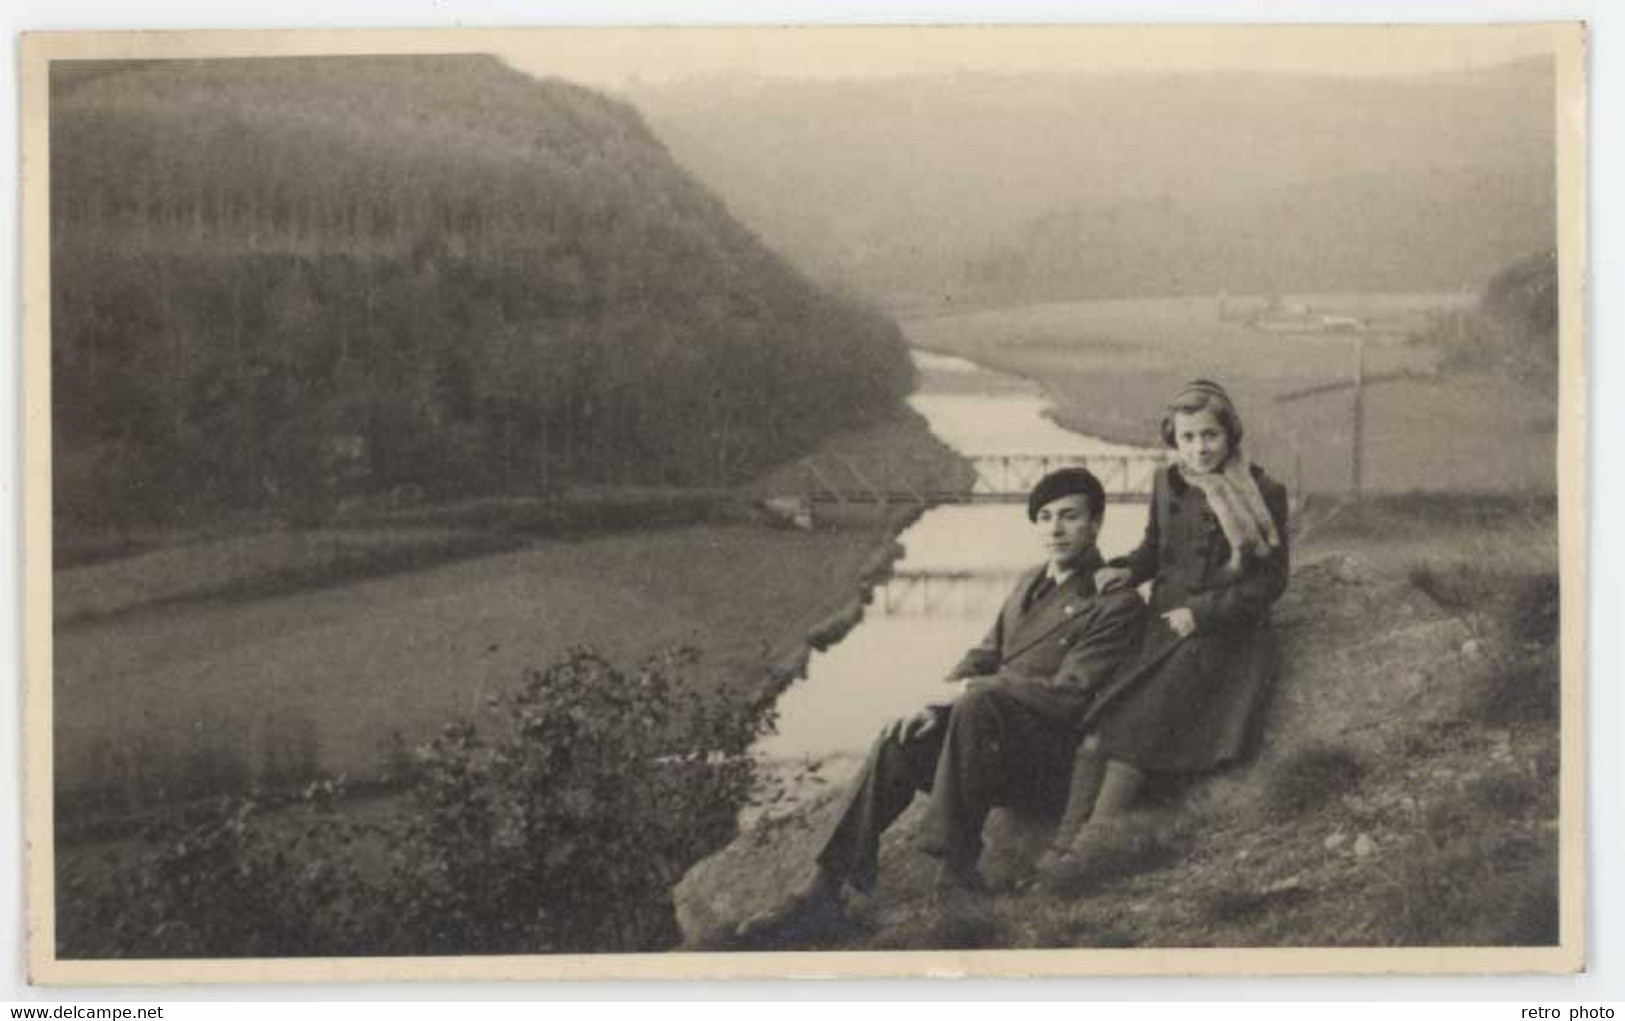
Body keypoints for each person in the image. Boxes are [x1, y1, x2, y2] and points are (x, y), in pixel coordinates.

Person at [735, 467, 1145, 942]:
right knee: (902, 738)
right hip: (988, 749)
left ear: (1095, 525)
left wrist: (973, 693)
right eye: (1046, 517)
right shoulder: (1030, 582)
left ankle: (957, 874)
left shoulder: (1115, 603)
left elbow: (1072, 695)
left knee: (976, 704)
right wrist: (934, 699)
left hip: (1048, 764)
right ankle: (824, 889)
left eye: (1070, 517)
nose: (1055, 529)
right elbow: (985, 654)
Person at [1047, 378, 1290, 857]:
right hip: (1161, 629)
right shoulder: (1167, 481)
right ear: (1174, 440)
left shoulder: (1264, 491)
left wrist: (1200, 613)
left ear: (1230, 435)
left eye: (1210, 435)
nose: (1200, 448)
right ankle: (1060, 845)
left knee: (1133, 734)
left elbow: (1270, 582)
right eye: (1188, 438)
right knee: (1098, 730)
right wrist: (1123, 570)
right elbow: (1154, 551)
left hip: (1222, 637)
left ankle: (1086, 855)